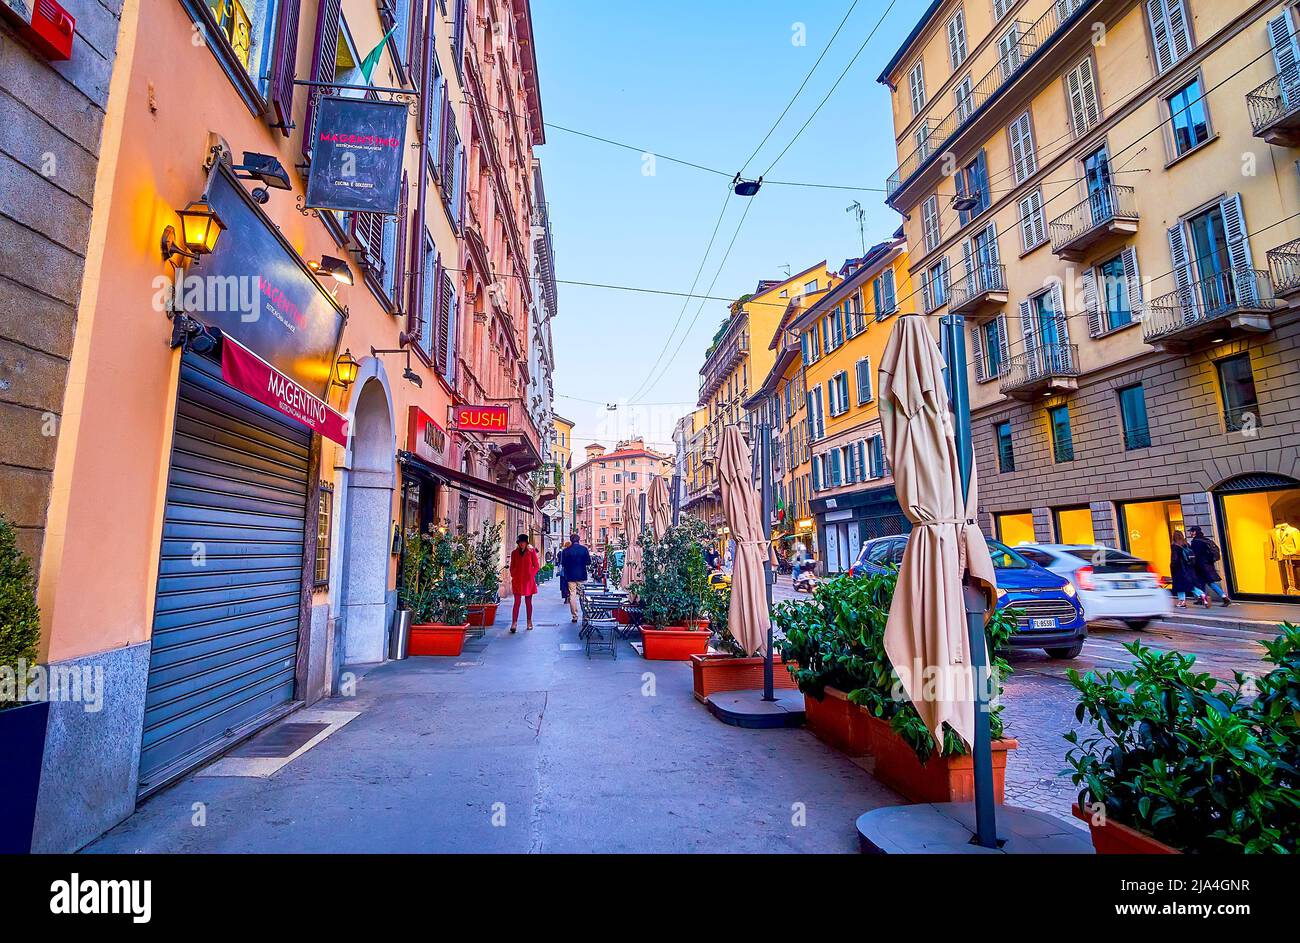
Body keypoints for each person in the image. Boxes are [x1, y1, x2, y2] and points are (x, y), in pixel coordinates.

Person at [1188, 526, 1231, 607]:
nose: (1190, 533)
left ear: (1194, 532)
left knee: (1201, 583)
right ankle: (1222, 597)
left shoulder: (1196, 542)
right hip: (1209, 565)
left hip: (1200, 566)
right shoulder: (1206, 540)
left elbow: (1195, 555)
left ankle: (1205, 599)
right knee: (1209, 583)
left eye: (1191, 531)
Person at [508, 533, 540, 633]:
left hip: (528, 581)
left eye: (524, 542)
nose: (522, 544)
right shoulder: (514, 553)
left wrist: (531, 575)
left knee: (528, 602)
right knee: (516, 602)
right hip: (517, 581)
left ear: (526, 543)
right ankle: (514, 623)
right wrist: (513, 574)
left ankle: (529, 621)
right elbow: (512, 566)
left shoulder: (531, 552)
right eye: (520, 542)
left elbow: (536, 565)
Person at [557, 532, 591, 622]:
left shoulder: (566, 551)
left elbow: (563, 564)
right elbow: (589, 562)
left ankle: (574, 616)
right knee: (583, 595)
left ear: (571, 541)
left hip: (570, 576)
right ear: (579, 540)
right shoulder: (584, 549)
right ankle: (585, 615)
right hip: (582, 576)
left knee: (572, 595)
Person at [1170, 530, 1207, 609]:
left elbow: (1175, 559)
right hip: (1189, 569)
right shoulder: (1186, 544)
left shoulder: (1175, 546)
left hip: (1179, 569)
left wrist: (1172, 567)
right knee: (1190, 585)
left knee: (1180, 586)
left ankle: (1182, 602)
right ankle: (1202, 594)